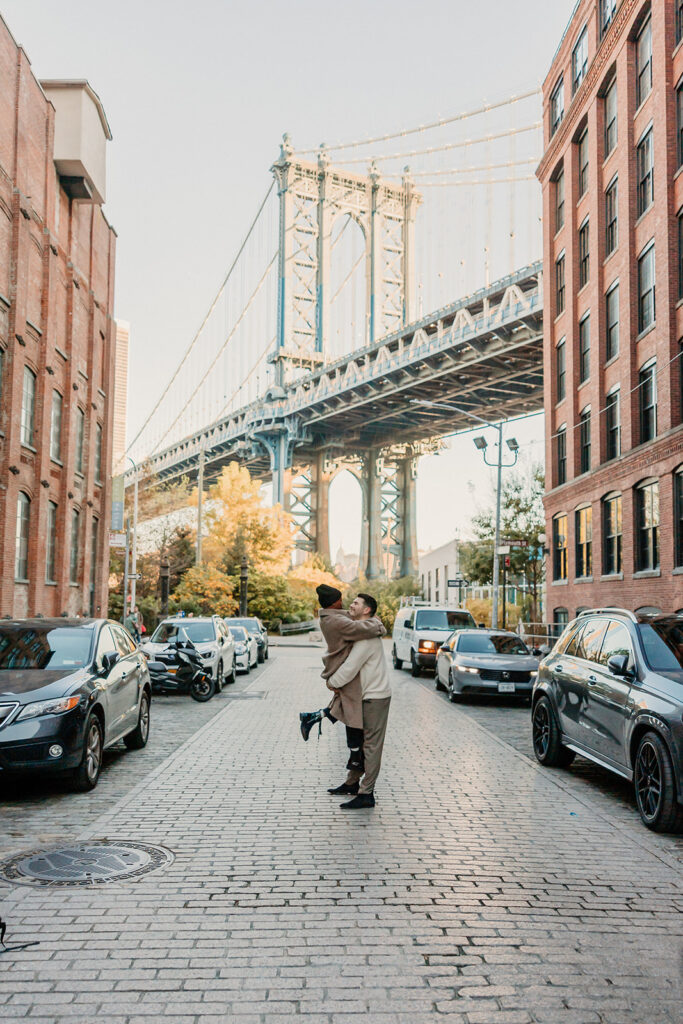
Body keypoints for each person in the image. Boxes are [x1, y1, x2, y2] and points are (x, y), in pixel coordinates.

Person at [299, 584, 385, 777]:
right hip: (342, 667)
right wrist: (377, 623)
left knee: (344, 706)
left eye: (355, 603)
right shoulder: (336, 621)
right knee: (352, 712)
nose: (347, 604)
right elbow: (363, 627)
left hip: (343, 669)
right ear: (335, 602)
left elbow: (354, 615)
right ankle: (355, 758)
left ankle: (312, 718)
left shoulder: (333, 615)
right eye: (342, 600)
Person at [326, 592, 391, 810]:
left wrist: (331, 682)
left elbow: (349, 669)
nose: (350, 606)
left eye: (356, 603)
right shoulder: (363, 631)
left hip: (375, 698)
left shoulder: (367, 638)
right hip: (366, 696)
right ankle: (352, 783)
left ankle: (367, 793)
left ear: (366, 610)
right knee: (361, 743)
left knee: (371, 746)